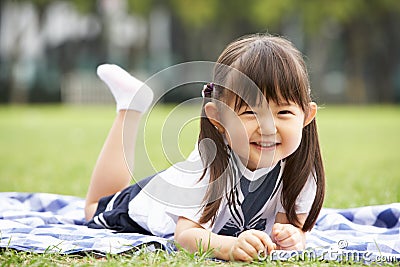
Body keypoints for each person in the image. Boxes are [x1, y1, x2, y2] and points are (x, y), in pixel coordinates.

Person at [84, 34, 325, 262]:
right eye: (250, 112)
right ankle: (130, 106)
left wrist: (292, 236)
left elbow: (286, 227)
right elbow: (186, 235)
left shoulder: (301, 170)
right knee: (93, 208)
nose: (268, 127)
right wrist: (230, 247)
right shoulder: (206, 167)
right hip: (147, 204)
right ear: (218, 118)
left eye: (283, 112)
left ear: (307, 116)